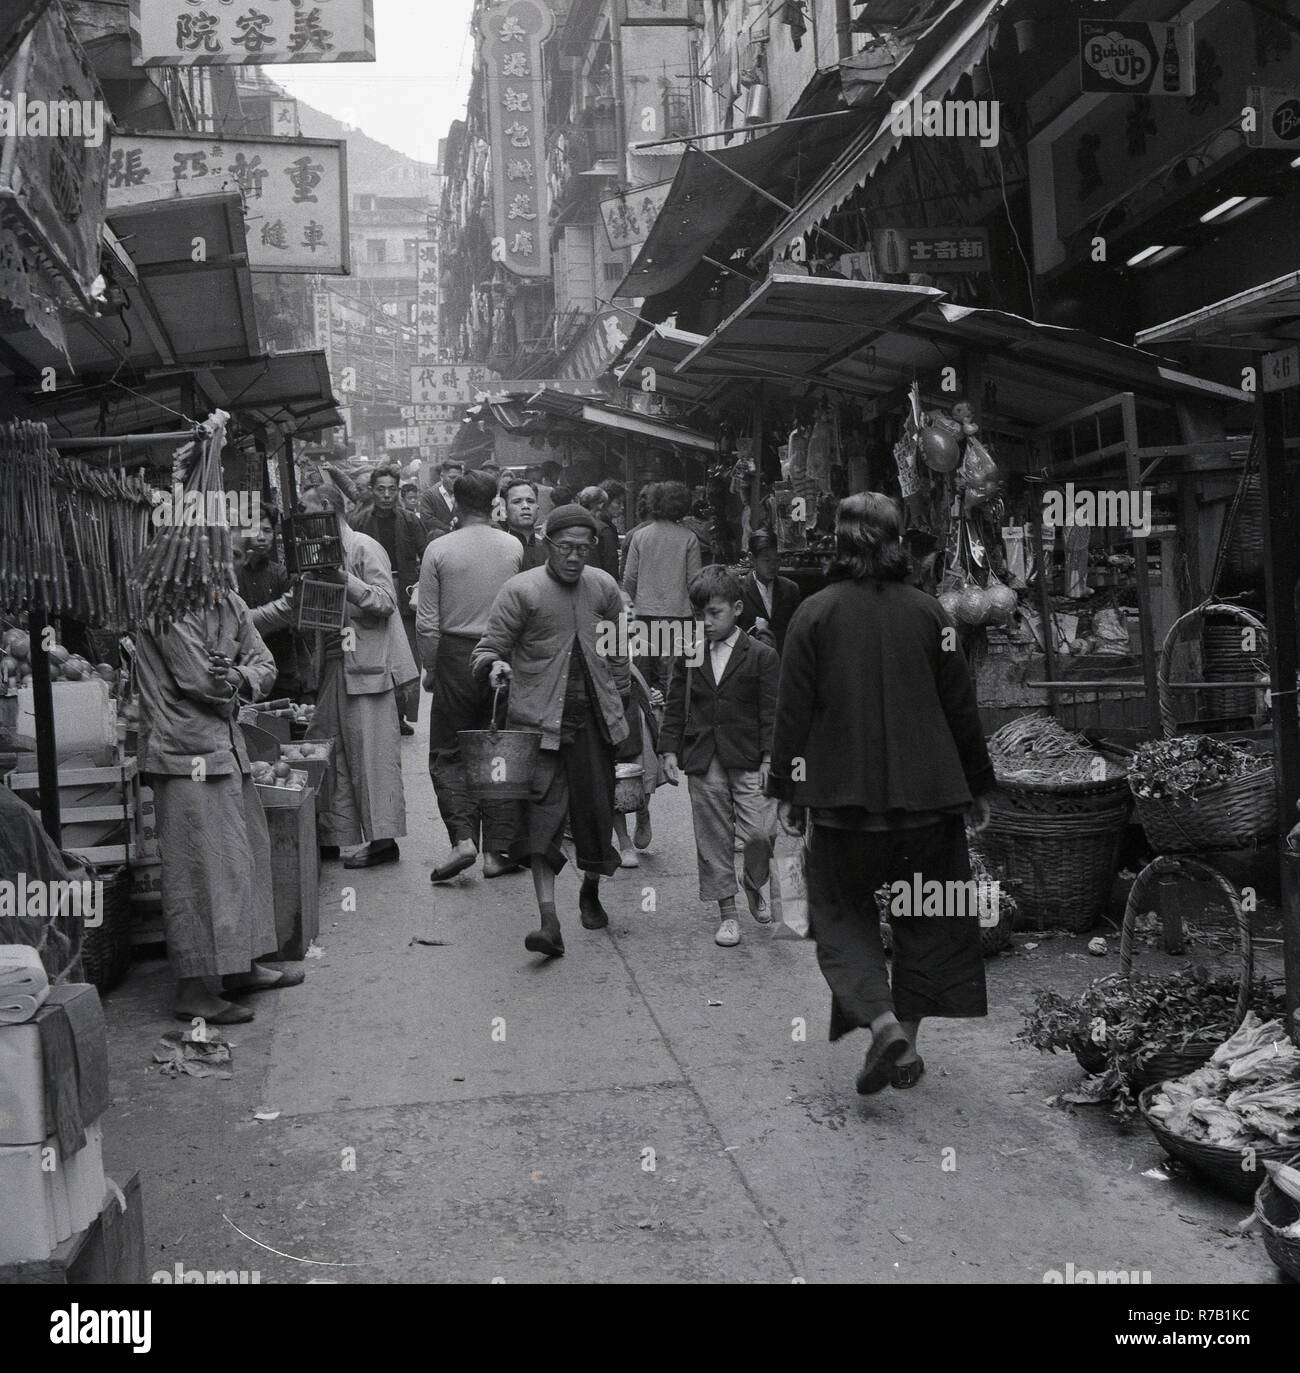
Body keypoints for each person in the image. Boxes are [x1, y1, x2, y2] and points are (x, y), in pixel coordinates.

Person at [767, 493, 995, 1095]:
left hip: (843, 807)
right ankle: (907, 1042)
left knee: (841, 918)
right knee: (929, 918)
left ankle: (884, 1022)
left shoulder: (813, 615)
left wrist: (788, 791)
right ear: (898, 543)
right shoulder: (932, 616)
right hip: (929, 804)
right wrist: (975, 786)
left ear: (837, 544)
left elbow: (792, 716)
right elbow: (959, 707)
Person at [136, 594, 303, 1024]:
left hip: (227, 746)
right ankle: (191, 989)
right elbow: (201, 682)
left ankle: (240, 967)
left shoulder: (229, 600)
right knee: (198, 868)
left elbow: (264, 664)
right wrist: (233, 682)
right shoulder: (166, 606)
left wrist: (237, 674)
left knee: (243, 855)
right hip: (184, 751)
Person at [472, 505, 630, 958]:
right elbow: (487, 649)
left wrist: (625, 709)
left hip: (594, 725)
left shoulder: (603, 587)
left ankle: (591, 890)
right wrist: (495, 665)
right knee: (542, 824)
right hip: (538, 727)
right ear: (546, 544)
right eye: (567, 548)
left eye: (584, 548)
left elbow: (619, 654)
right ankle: (549, 920)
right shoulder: (521, 591)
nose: (576, 557)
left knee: (597, 819)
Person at [252, 484, 415, 869]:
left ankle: (383, 840)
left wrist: (346, 581)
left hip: (369, 668)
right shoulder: (315, 556)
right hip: (333, 668)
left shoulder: (362, 547)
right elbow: (292, 606)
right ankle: (334, 836)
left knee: (371, 757)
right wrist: (243, 619)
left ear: (325, 507)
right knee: (328, 751)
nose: (301, 520)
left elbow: (386, 602)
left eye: (306, 509)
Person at [660, 566, 779, 948]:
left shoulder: (761, 655)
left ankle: (754, 881)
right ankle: (728, 914)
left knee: (761, 831)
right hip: (704, 753)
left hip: (748, 755)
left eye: (715, 613)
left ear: (738, 608)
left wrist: (768, 759)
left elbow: (771, 712)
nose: (706, 622)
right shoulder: (690, 654)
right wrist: (667, 750)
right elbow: (676, 704)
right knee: (712, 837)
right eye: (699, 615)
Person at [417, 469, 524, 883]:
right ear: (495, 501)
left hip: (456, 655)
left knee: (449, 751)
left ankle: (462, 838)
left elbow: (427, 623)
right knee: (498, 749)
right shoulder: (513, 546)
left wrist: (431, 669)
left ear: (456, 504)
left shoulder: (439, 550)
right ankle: (497, 852)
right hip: (502, 656)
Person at [351, 463, 429, 735]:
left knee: (406, 658)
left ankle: (401, 715)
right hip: (370, 592)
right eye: (381, 489)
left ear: (398, 491)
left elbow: (427, 555)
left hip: (404, 592)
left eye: (391, 489)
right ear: (372, 491)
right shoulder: (359, 521)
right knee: (376, 655)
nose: (386, 495)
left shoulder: (409, 520)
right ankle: (380, 716)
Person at [622, 479, 703, 693]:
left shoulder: (640, 536)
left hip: (644, 617)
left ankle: (648, 721)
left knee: (644, 678)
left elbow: (629, 578)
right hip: (680, 617)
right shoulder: (689, 538)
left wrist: (628, 613)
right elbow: (695, 583)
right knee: (675, 680)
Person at [234, 508, 303, 698]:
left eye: (267, 530)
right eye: (256, 530)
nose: (262, 537)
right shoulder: (234, 573)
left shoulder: (281, 574)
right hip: (243, 670)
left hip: (283, 671)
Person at [738, 529, 802, 655]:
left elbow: (796, 630)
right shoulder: (739, 590)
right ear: (752, 558)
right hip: (751, 660)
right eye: (767, 560)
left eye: (777, 560)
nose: (773, 566)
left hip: (783, 658)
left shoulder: (790, 589)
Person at [501, 477, 546, 569]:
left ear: (537, 507)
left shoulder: (548, 548)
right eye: (517, 502)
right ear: (504, 510)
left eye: (530, 501)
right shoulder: (499, 549)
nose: (525, 506)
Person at [577, 484, 620, 578]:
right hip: (596, 580)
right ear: (601, 505)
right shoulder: (603, 529)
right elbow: (610, 562)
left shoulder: (571, 523)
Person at [419, 460, 463, 540]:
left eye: (459, 478)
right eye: (452, 477)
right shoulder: (429, 495)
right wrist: (449, 529)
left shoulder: (465, 494)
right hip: (438, 542)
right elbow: (427, 519)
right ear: (442, 477)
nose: (456, 481)